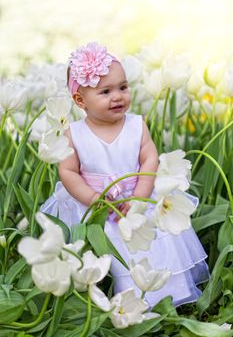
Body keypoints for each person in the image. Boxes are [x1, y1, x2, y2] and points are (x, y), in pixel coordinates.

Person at [41, 42, 209, 307]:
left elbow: (149, 158)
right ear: (80, 100)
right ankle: (113, 297)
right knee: (108, 249)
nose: (118, 96)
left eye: (123, 87)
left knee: (154, 245)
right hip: (96, 204)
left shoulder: (136, 125)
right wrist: (94, 198)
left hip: (136, 197)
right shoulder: (74, 133)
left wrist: (141, 196)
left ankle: (167, 292)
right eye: (105, 91)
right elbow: (68, 171)